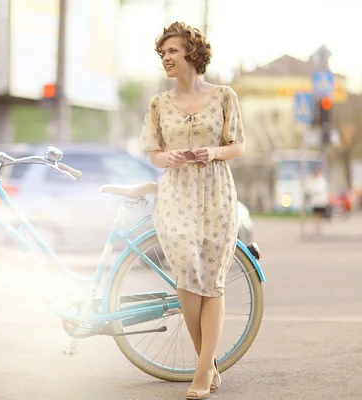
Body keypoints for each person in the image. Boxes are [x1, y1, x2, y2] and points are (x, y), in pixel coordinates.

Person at [139, 22, 246, 400]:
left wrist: (212, 152)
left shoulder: (224, 96)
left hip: (216, 190)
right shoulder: (158, 104)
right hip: (176, 192)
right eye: (163, 53)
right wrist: (165, 157)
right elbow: (152, 152)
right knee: (186, 267)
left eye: (172, 51)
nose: (166, 58)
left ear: (192, 54)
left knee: (212, 279)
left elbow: (237, 145)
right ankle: (208, 363)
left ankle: (203, 371)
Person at [304, 166, 330, 233]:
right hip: (314, 200)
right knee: (315, 214)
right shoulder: (310, 179)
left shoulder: (322, 180)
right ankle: (315, 226)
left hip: (321, 200)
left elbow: (324, 190)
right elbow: (308, 189)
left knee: (320, 214)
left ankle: (320, 227)